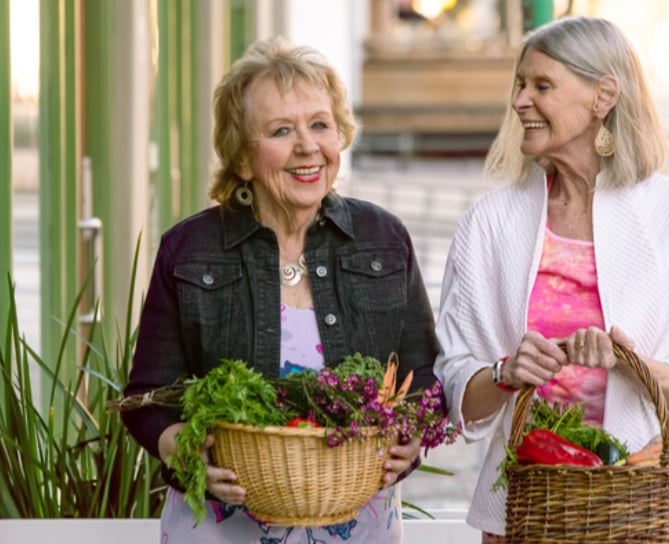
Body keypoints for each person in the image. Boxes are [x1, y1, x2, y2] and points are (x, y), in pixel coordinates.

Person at [121, 36, 440, 543]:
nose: (307, 146)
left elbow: (425, 376)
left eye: (320, 125)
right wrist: (180, 445)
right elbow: (146, 398)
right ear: (243, 158)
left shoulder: (383, 239)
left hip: (358, 527)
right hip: (223, 531)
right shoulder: (190, 248)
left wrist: (412, 439)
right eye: (280, 130)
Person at [433, 16, 669, 543]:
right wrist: (506, 372)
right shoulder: (489, 222)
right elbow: (456, 388)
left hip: (653, 504)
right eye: (520, 85)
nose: (521, 101)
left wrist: (633, 364)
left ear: (603, 96)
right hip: (529, 506)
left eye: (542, 86)